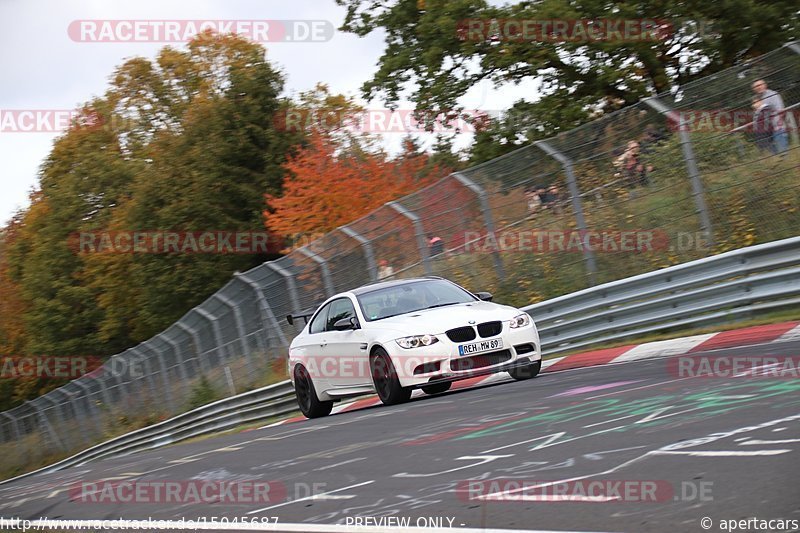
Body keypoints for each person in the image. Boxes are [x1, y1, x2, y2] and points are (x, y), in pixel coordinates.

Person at [752, 79, 788, 154]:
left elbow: (780, 110)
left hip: (777, 128)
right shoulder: (757, 99)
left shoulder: (773, 95)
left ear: (765, 85)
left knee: (782, 152)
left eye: (760, 85)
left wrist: (778, 125)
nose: (758, 87)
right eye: (756, 86)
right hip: (766, 132)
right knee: (773, 155)